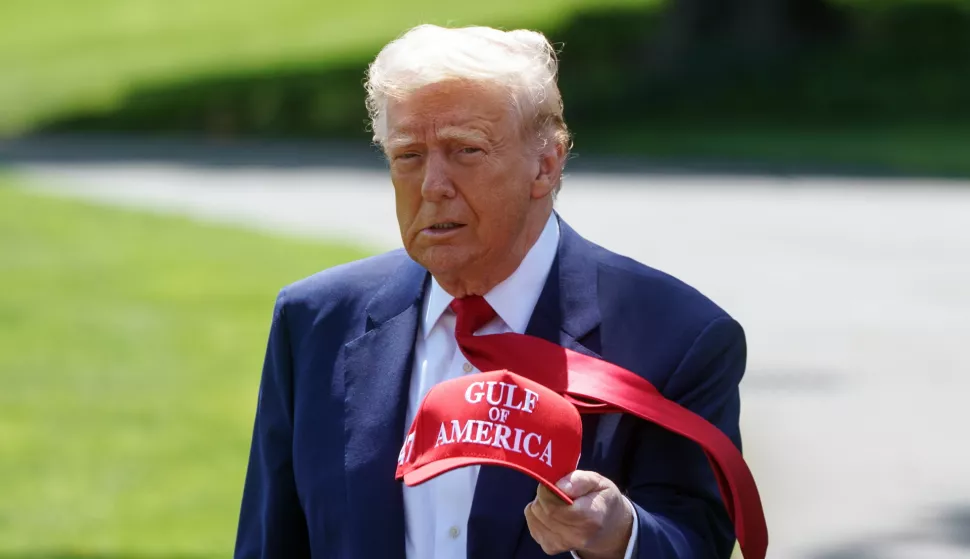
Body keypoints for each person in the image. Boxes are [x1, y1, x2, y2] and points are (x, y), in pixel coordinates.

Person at [234, 23, 748, 559]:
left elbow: (696, 540)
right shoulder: (315, 322)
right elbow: (270, 542)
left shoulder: (676, 337)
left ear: (546, 165)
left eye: (466, 150)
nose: (433, 184)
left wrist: (620, 536)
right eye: (408, 155)